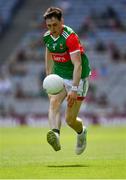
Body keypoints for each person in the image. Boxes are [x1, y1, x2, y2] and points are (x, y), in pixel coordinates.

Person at [43, 7, 91, 155]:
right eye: (49, 26)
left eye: (55, 25)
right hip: (60, 77)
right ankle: (55, 133)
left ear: (61, 21)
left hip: (78, 78)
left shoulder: (70, 37)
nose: (52, 29)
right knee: (54, 102)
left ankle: (81, 132)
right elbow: (49, 53)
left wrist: (74, 89)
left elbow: (78, 64)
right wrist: (48, 76)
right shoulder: (47, 37)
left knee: (70, 120)